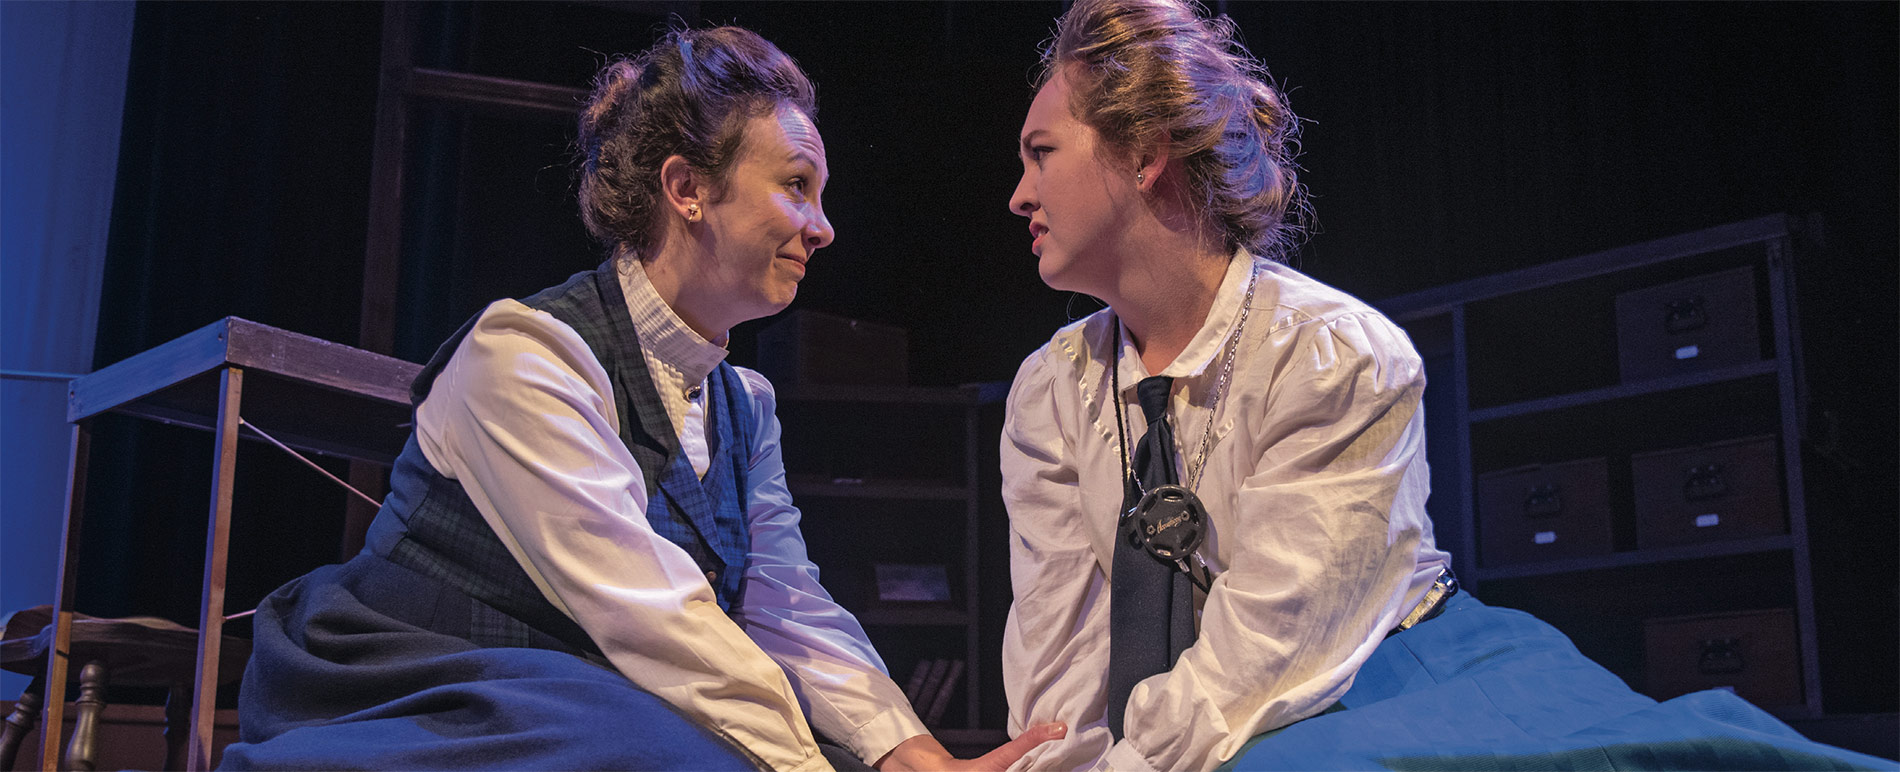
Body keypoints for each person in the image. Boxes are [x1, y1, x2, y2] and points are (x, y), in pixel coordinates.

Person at [996, 1, 1894, 771]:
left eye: (1042, 152)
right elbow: (1061, 649)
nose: (1018, 195)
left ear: (1145, 153)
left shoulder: (1333, 354)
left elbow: (1274, 647)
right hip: (1205, 712)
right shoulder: (1052, 390)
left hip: (1388, 665)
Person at [222, 26, 1062, 772]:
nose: (823, 226)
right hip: (422, 680)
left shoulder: (744, 404)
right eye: (797, 186)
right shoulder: (527, 358)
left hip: (588, 682)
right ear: (687, 188)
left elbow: (783, 602)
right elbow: (649, 614)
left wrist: (907, 752)